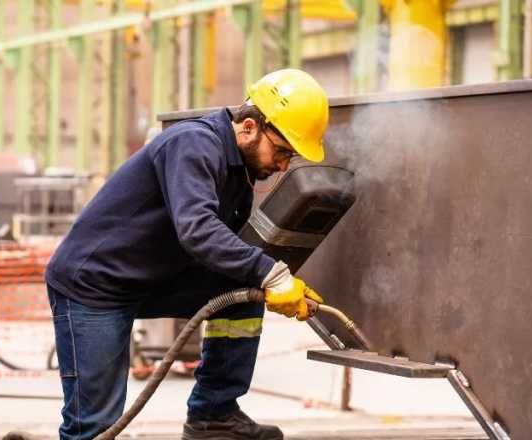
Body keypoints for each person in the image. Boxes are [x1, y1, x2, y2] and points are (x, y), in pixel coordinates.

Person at [44, 69, 330, 440]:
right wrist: (271, 272)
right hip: (94, 287)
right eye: (281, 151)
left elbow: (225, 249)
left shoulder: (236, 170)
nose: (283, 166)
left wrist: (269, 276)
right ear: (248, 127)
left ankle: (214, 414)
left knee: (242, 291)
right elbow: (197, 230)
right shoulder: (193, 144)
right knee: (95, 428)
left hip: (146, 279)